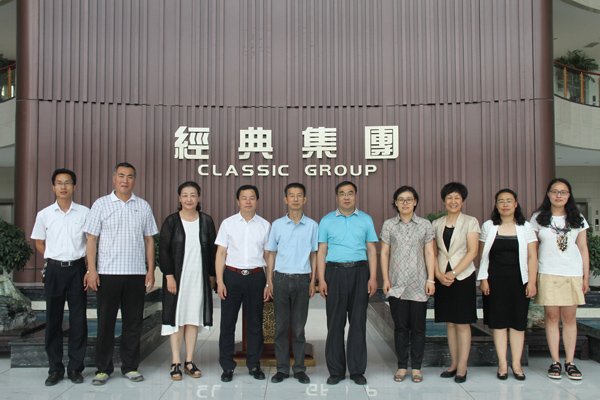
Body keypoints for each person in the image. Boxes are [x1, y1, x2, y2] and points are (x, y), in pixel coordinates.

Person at [83, 162, 159, 385]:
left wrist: (150, 270)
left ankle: (130, 367)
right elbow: (91, 239)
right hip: (107, 274)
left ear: (134, 180)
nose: (125, 180)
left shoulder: (143, 206)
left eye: (130, 176)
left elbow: (149, 240)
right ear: (114, 178)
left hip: (136, 274)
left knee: (133, 323)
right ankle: (103, 369)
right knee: (105, 323)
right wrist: (91, 270)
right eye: (121, 176)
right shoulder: (101, 204)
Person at [31, 168, 89, 386]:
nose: (63, 187)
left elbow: (91, 242)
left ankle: (75, 368)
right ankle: (55, 369)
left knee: (78, 319)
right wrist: (52, 255)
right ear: (53, 187)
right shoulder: (44, 214)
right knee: (53, 319)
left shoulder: (84, 212)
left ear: (74, 186)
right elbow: (38, 241)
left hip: (77, 269)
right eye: (59, 183)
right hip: (54, 270)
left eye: (67, 183)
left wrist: (89, 270)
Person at [317, 181, 378, 386]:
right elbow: (322, 251)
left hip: (360, 272)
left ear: (355, 196)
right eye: (342, 194)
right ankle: (336, 371)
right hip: (334, 273)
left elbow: (371, 250)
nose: (346, 197)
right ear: (336, 197)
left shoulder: (366, 219)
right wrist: (321, 279)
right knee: (335, 323)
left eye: (350, 193)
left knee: (358, 322)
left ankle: (357, 370)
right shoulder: (326, 220)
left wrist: (373, 277)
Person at [530, 178, 589, 380]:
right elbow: (533, 250)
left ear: (569, 195)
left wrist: (585, 277)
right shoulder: (538, 218)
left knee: (569, 319)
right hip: (548, 272)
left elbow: (583, 248)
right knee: (552, 318)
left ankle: (570, 362)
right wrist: (532, 278)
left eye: (563, 192)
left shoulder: (577, 218)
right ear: (548, 194)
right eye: (555, 191)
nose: (559, 195)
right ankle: (555, 362)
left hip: (572, 273)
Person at [159, 181, 217, 380]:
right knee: (176, 319)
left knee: (192, 319)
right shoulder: (171, 221)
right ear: (179, 198)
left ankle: (189, 361)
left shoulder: (206, 221)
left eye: (193, 195)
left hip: (198, 278)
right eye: (185, 195)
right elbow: (164, 251)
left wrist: (212, 275)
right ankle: (175, 361)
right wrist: (169, 276)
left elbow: (212, 251)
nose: (189, 199)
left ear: (198, 198)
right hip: (177, 279)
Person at [478, 189, 538, 381]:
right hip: (495, 281)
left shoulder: (526, 227)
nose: (505, 204)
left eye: (509, 201)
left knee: (517, 324)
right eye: (501, 201)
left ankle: (517, 365)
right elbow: (483, 256)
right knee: (499, 324)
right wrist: (483, 279)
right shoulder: (488, 226)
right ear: (496, 205)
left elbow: (532, 257)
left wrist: (532, 282)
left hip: (519, 281)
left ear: (516, 204)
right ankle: (502, 364)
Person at [380, 186, 436, 383]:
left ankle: (417, 367)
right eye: (401, 200)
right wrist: (385, 279)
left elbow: (429, 252)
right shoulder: (389, 225)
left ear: (415, 202)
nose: (405, 203)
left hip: (419, 282)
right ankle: (402, 366)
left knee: (418, 328)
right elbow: (384, 252)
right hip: (396, 284)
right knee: (400, 327)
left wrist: (431, 279)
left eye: (409, 199)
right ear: (396, 203)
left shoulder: (425, 225)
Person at [215, 185, 271, 382]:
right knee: (227, 323)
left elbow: (268, 256)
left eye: (252, 197)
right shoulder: (228, 224)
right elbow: (221, 254)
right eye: (244, 198)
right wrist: (220, 281)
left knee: (255, 323)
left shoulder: (265, 225)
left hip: (256, 277)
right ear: (238, 201)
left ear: (257, 201)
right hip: (232, 276)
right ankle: (227, 367)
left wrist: (268, 282)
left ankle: (254, 365)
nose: (248, 201)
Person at [265, 183, 318, 384]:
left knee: (298, 328)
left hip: (303, 280)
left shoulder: (312, 225)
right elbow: (271, 254)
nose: (295, 199)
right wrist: (269, 281)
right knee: (280, 327)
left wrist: (313, 281)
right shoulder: (277, 225)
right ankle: (281, 369)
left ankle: (299, 369)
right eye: (291, 195)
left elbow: (314, 254)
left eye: (299, 195)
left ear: (305, 199)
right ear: (285, 199)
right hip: (280, 279)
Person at [432, 182, 480, 384]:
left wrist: (453, 273)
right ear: (444, 201)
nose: (453, 201)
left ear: (462, 201)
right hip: (442, 278)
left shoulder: (471, 222)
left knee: (462, 323)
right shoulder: (436, 224)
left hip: (462, 277)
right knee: (449, 323)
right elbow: (432, 252)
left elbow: (473, 251)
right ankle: (453, 364)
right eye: (449, 197)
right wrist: (438, 274)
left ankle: (462, 367)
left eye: (457, 198)